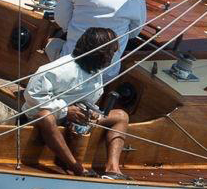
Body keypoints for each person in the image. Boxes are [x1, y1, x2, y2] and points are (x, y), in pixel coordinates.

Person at [25, 27, 131, 178]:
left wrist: (92, 111)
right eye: (110, 53)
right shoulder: (57, 69)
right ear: (98, 53)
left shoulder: (95, 70)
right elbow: (33, 97)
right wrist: (66, 111)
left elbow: (89, 99)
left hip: (76, 121)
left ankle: (112, 169)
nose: (112, 57)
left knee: (121, 116)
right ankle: (75, 167)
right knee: (45, 117)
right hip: (41, 121)